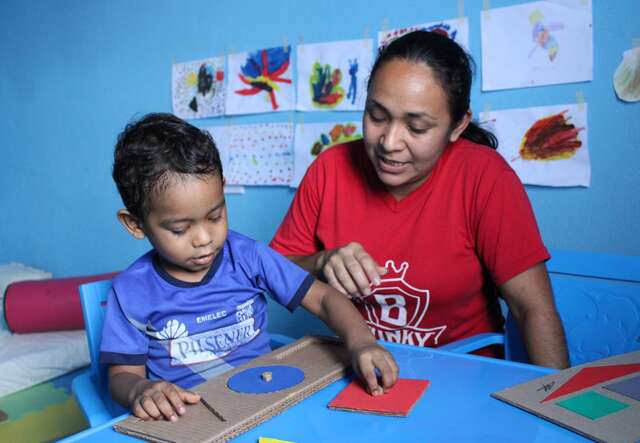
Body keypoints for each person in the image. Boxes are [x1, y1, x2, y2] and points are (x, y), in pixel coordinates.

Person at [270, 31, 569, 369]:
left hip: (464, 376)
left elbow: (532, 308)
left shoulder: (485, 177)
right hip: (361, 368)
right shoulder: (329, 169)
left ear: (457, 125)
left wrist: (554, 404)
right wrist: (321, 262)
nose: (389, 142)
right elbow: (271, 269)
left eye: (417, 127)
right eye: (377, 116)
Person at [101, 113, 398, 422]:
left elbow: (324, 298)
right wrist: (141, 390)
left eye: (215, 215)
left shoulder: (248, 256)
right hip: (190, 420)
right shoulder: (131, 291)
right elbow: (122, 375)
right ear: (135, 224)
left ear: (222, 190)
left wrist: (361, 341)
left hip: (267, 402)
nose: (204, 239)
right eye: (179, 229)